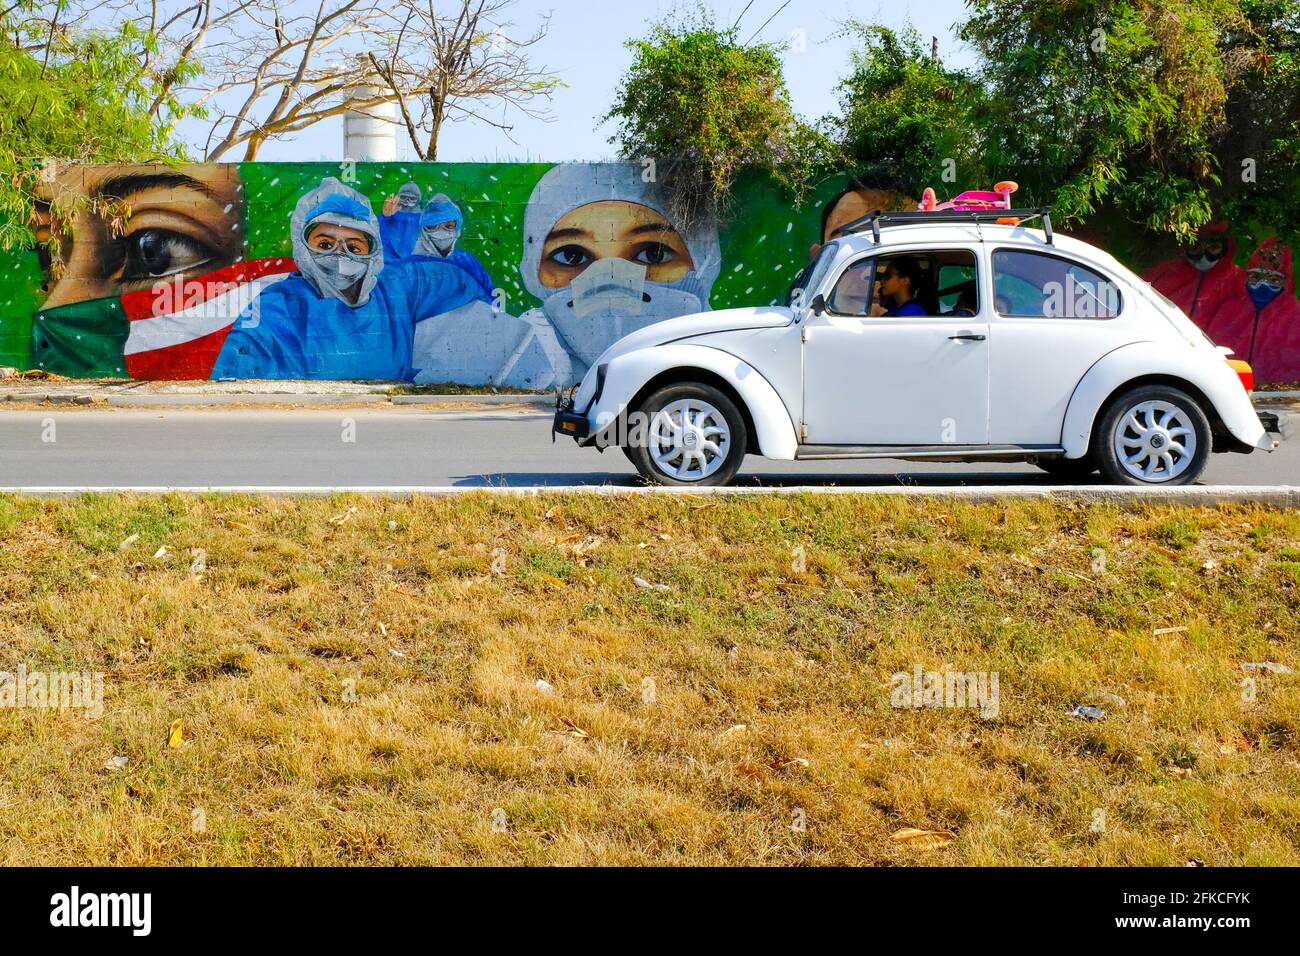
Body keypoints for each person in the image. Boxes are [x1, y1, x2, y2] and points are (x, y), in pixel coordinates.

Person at [411, 163, 721, 390]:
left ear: (702, 263)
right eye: (573, 257)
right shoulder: (515, 357)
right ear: (534, 273)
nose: (611, 279)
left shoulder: (724, 354)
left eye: (652, 254)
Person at [210, 177, 484, 381]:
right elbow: (238, 363)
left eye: (354, 247)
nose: (340, 257)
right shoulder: (279, 305)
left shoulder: (398, 286)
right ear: (303, 247)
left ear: (372, 253)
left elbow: (457, 281)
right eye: (325, 244)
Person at [410, 194, 494, 298]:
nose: (440, 232)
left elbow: (490, 298)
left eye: (449, 226)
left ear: (457, 231)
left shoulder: (468, 263)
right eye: (433, 226)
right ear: (423, 229)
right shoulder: (410, 267)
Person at [378, 181, 424, 261]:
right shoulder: (391, 213)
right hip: (389, 257)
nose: (407, 201)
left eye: (412, 198)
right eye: (404, 197)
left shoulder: (421, 218)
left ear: (418, 199)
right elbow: (379, 230)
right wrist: (384, 216)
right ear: (398, 197)